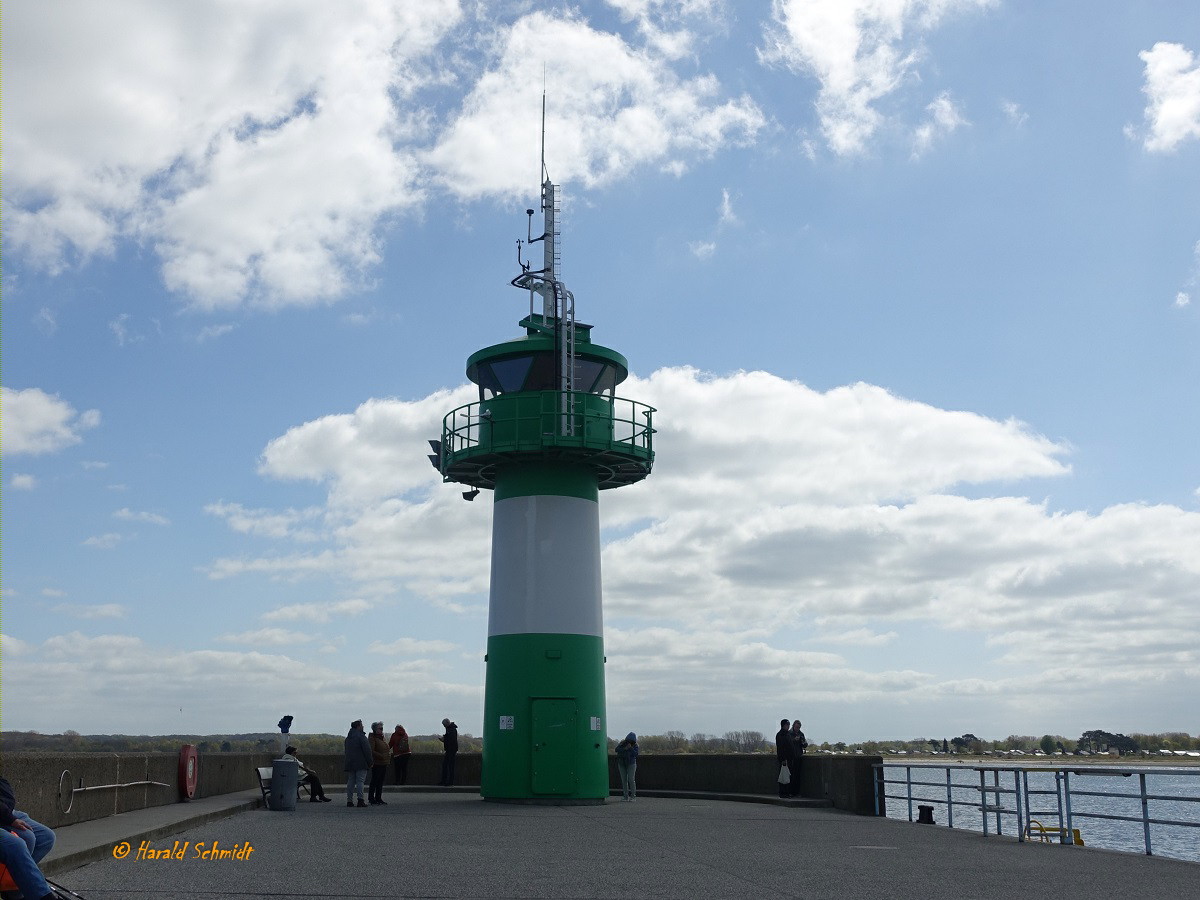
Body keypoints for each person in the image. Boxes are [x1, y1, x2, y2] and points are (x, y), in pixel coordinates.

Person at [0, 775, 56, 900]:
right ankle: (37, 894)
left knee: (46, 837)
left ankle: (16, 886)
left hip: (6, 809)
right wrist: (10, 819)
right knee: (21, 841)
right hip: (5, 812)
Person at [344, 719, 372, 807]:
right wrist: (370, 762)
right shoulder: (361, 737)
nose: (363, 726)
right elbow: (367, 751)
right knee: (360, 781)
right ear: (358, 726)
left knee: (351, 781)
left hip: (350, 762)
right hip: (361, 763)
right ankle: (360, 800)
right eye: (361, 725)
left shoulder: (348, 738)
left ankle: (349, 800)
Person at [367, 722, 392, 805]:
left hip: (384, 763)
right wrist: (381, 756)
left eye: (382, 728)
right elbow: (371, 750)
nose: (382, 730)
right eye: (380, 728)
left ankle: (378, 798)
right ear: (375, 729)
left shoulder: (382, 738)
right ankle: (371, 798)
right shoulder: (372, 738)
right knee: (374, 781)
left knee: (380, 782)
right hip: (377, 763)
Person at [615, 733, 639, 802]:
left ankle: (633, 796)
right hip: (622, 763)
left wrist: (630, 748)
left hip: (631, 764)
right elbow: (616, 749)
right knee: (624, 780)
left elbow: (635, 754)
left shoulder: (635, 745)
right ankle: (625, 796)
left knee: (631, 780)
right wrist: (625, 749)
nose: (629, 742)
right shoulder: (622, 743)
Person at [775, 719, 794, 798]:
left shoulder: (787, 734)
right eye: (787, 725)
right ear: (783, 725)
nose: (788, 726)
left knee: (787, 775)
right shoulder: (781, 735)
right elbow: (781, 748)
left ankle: (786, 792)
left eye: (789, 725)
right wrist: (783, 759)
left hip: (789, 758)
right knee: (783, 776)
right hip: (784, 759)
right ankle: (783, 792)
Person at [788, 719, 808, 797]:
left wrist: (804, 743)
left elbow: (804, 745)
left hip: (799, 756)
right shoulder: (789, 733)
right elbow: (787, 744)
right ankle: (790, 792)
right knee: (791, 775)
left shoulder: (801, 734)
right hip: (791, 757)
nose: (797, 729)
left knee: (797, 775)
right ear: (793, 726)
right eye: (796, 727)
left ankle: (796, 792)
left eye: (799, 727)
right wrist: (794, 740)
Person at [436, 718, 458, 786]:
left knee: (450, 766)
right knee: (446, 766)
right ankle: (445, 781)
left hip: (451, 750)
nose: (443, 726)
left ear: (447, 723)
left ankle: (449, 782)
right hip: (450, 750)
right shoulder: (450, 729)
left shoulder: (452, 730)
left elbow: (451, 740)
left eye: (444, 725)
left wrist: (444, 740)